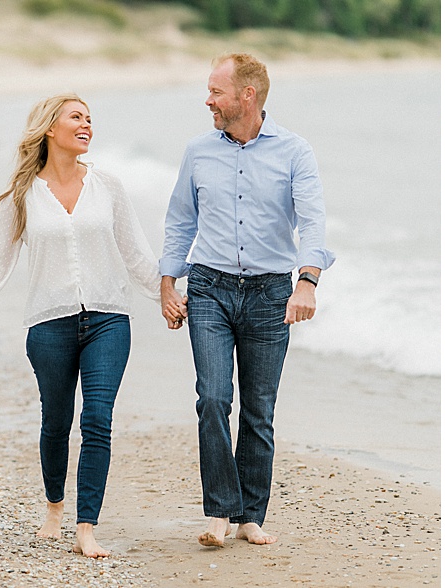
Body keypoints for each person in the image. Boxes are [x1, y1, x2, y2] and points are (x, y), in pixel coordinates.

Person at [0, 93, 161, 558]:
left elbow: (136, 253)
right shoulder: (21, 196)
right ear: (49, 128)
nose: (87, 125)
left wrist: (166, 293)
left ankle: (86, 527)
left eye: (90, 119)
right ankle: (54, 507)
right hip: (49, 326)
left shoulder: (109, 186)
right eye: (77, 117)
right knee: (55, 423)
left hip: (108, 319)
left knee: (97, 420)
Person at [160, 53, 335, 547]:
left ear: (247, 96)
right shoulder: (198, 151)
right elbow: (180, 221)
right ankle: (219, 510)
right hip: (209, 288)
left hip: (270, 294)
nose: (208, 100)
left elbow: (314, 222)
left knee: (259, 409)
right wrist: (168, 282)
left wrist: (308, 281)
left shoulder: (295, 152)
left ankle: (250, 516)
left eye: (216, 91)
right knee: (213, 398)